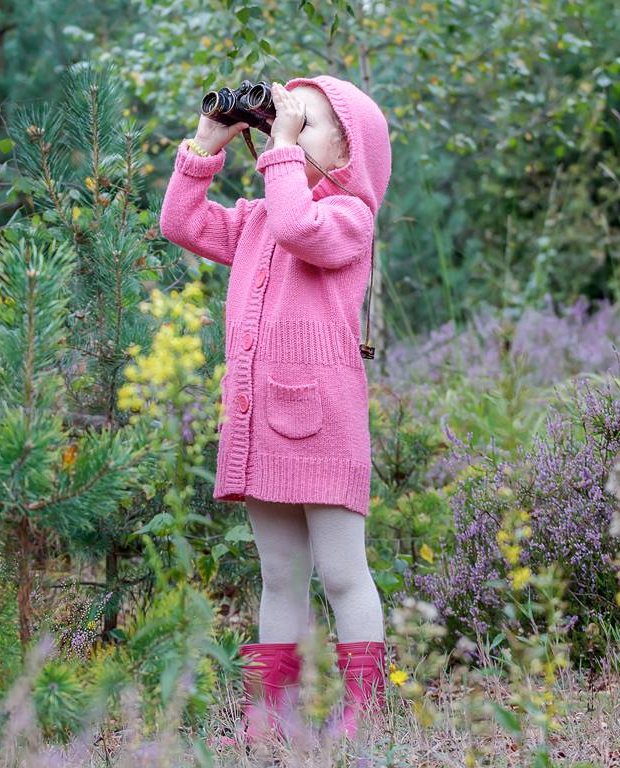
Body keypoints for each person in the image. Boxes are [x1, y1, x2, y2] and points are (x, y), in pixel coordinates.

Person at [158, 75, 393, 744]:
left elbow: (299, 225)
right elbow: (179, 223)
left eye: (304, 122)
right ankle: (271, 716)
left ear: (348, 152)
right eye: (279, 119)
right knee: (279, 575)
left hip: (326, 425)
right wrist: (207, 145)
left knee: (343, 574)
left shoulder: (349, 218)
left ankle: (364, 715)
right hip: (262, 426)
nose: (283, 131)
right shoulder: (257, 219)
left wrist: (280, 148)